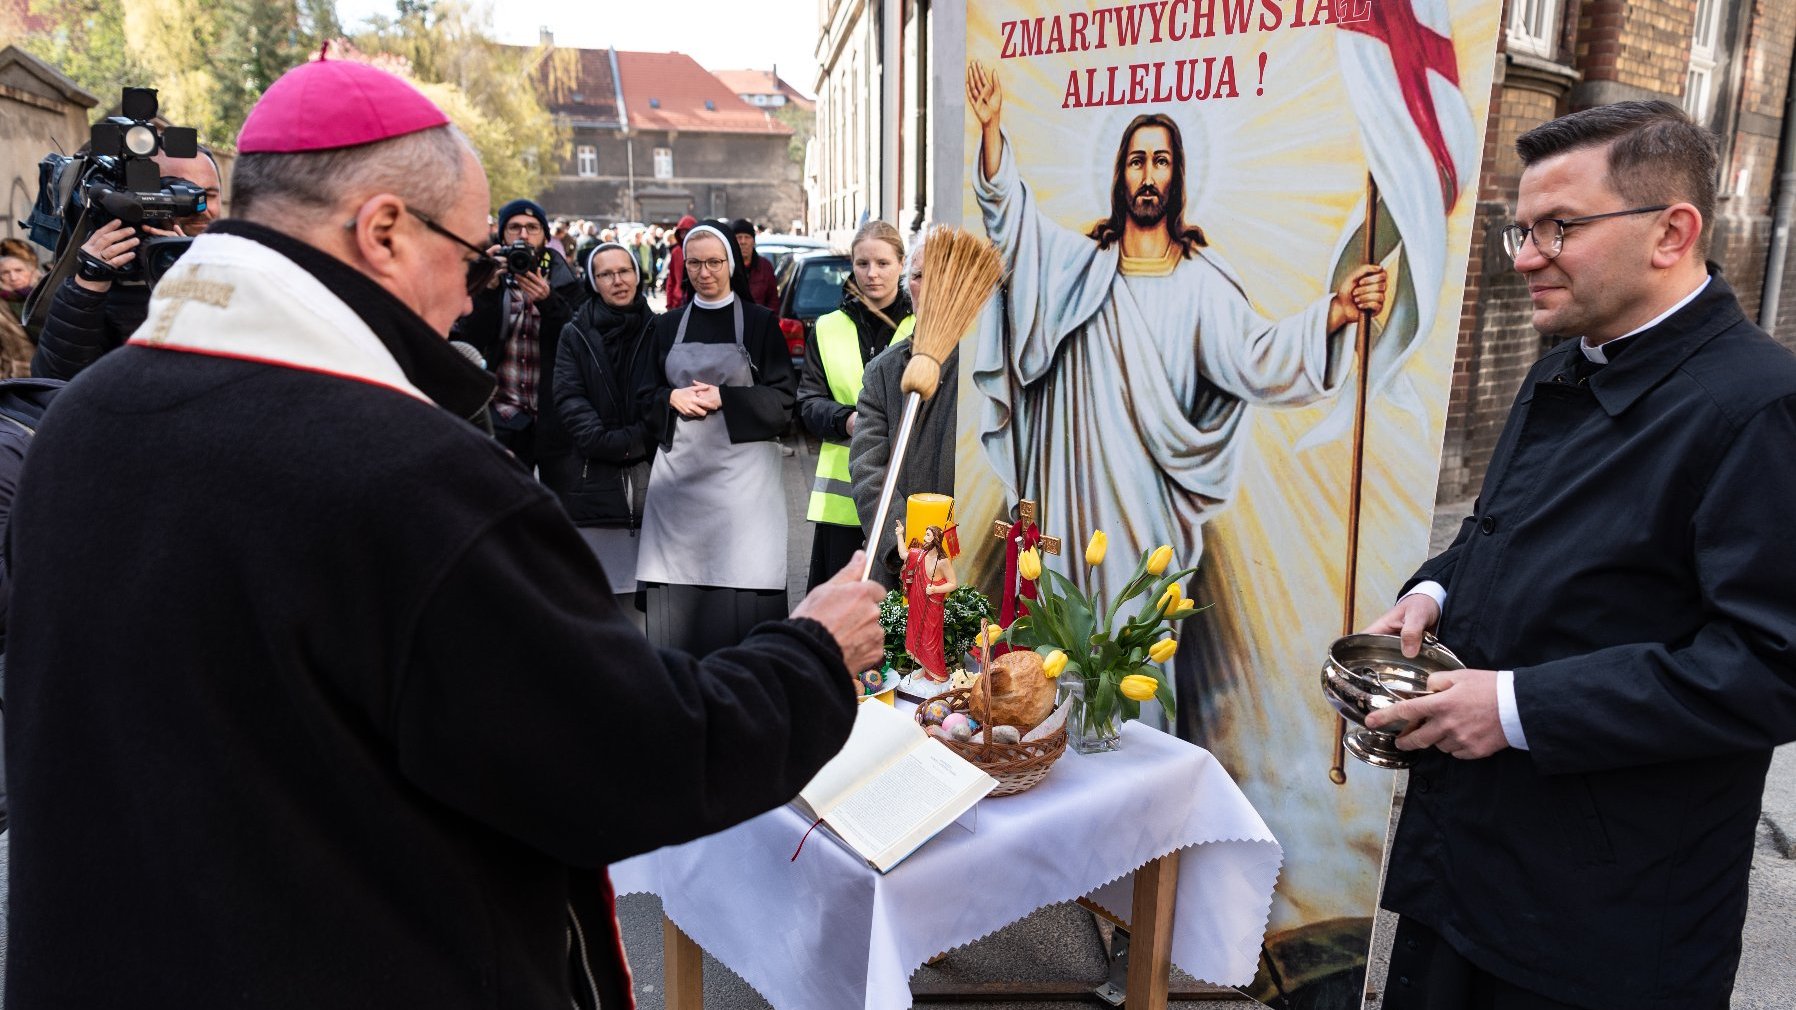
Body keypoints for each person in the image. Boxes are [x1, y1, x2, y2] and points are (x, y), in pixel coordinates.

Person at [3, 57, 883, 1009]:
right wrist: (814, 656)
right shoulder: (411, 476)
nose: (471, 299)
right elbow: (631, 763)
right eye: (471, 258)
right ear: (384, 229)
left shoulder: (79, 425)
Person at [1363, 101, 1796, 1010]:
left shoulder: (1758, 407)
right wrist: (1435, 591)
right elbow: (1506, 530)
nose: (1524, 255)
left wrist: (1516, 708)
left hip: (1608, 917)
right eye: (1521, 227)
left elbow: (1770, 667)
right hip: (1467, 865)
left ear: (1673, 232)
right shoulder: (1566, 361)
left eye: (1560, 227)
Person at [962, 61, 1391, 605]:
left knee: (1135, 647)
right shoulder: (1080, 267)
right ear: (1120, 175)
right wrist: (992, 129)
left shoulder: (1202, 285)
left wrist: (1337, 312)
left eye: (1160, 162)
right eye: (1137, 161)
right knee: (1064, 649)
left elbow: (1258, 356)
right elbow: (1011, 224)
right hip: (1071, 497)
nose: (1147, 175)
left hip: (1149, 509)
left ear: (1176, 177)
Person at [635, 221, 796, 657]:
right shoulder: (666, 326)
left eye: (714, 262)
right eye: (695, 264)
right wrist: (671, 396)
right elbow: (641, 395)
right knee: (680, 621)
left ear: (731, 263)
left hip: (743, 495)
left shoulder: (761, 323)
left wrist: (725, 398)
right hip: (681, 492)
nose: (704, 272)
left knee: (740, 614)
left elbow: (784, 403)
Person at [30, 147, 224, 380]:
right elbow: (55, 383)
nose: (199, 207)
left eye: (209, 195)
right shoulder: (97, 283)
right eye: (178, 192)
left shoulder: (246, 261)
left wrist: (194, 275)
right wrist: (88, 288)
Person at [800, 220, 915, 590]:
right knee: (841, 619)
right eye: (862, 263)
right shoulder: (827, 326)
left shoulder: (923, 327)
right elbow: (807, 402)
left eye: (883, 263)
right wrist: (847, 420)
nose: (872, 273)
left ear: (901, 265)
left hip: (906, 492)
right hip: (843, 505)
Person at [554, 240, 658, 628]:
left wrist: (640, 439)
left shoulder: (658, 327)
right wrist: (608, 442)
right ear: (593, 281)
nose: (618, 280)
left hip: (653, 481)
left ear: (637, 274)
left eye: (624, 271)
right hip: (593, 481)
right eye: (606, 274)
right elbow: (569, 398)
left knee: (654, 609)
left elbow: (664, 397)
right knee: (606, 607)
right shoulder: (575, 333)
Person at [452, 197, 585, 490]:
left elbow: (579, 340)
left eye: (532, 228)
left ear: (545, 237)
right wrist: (486, 290)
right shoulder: (487, 280)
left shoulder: (567, 282)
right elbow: (468, 342)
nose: (523, 235)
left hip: (553, 418)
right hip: (503, 415)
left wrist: (549, 301)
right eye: (514, 228)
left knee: (558, 513)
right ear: (502, 237)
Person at [850, 237, 952, 591]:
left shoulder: (986, 372)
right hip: (903, 568)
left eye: (942, 274)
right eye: (919, 275)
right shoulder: (884, 371)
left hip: (974, 561)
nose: (929, 286)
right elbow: (868, 469)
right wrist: (908, 546)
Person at [896, 522, 956, 681]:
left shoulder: (943, 561)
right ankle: (925, 668)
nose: (924, 538)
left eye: (928, 535)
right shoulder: (919, 554)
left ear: (936, 539)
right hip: (917, 602)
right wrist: (899, 534)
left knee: (931, 640)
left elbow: (953, 583)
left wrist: (935, 589)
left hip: (932, 606)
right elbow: (903, 554)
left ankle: (938, 673)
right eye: (925, 534)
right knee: (918, 636)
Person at [0, 240, 44, 375]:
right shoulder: (2, 305)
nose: (13, 277)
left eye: (18, 270)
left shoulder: (48, 294)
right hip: (16, 381)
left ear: (32, 271)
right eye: (5, 272)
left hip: (53, 378)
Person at [731, 218, 780, 312]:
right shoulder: (726, 266)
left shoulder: (765, 267)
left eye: (747, 237)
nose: (743, 242)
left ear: (753, 241)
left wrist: (768, 321)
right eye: (739, 237)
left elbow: (773, 300)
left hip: (760, 322)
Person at [662, 213, 699, 309]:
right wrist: (669, 304)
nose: (684, 236)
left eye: (687, 232)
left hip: (697, 301)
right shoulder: (676, 252)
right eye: (682, 233)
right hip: (677, 302)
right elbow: (671, 279)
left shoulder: (701, 251)